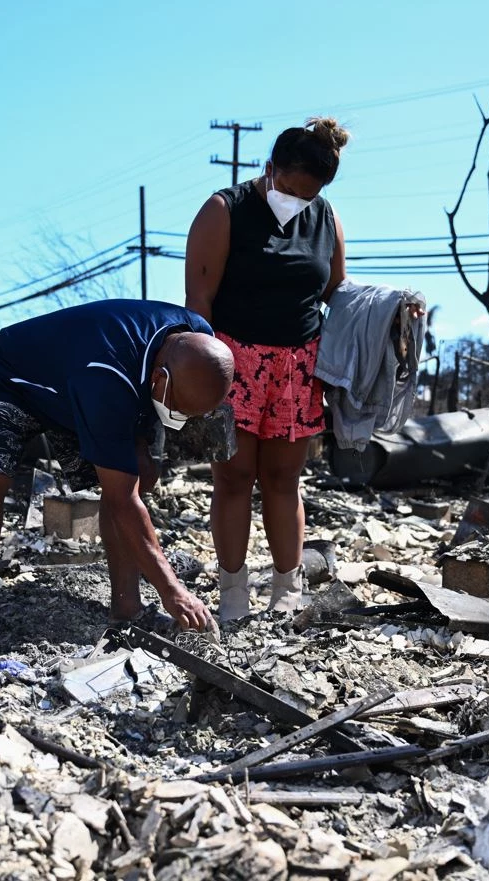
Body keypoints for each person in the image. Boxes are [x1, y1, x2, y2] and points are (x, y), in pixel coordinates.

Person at [0, 299, 234, 659]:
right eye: (179, 410)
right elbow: (122, 499)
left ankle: (128, 612)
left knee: (138, 476)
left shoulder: (197, 338)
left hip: (81, 383)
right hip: (8, 378)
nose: (181, 419)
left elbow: (130, 474)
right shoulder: (106, 377)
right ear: (161, 379)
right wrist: (173, 590)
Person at [184, 117, 349, 621]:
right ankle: (233, 591)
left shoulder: (327, 220)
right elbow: (198, 300)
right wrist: (203, 380)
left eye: (309, 194)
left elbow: (338, 296)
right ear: (269, 168)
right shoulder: (224, 210)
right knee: (233, 478)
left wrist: (396, 309)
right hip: (233, 362)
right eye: (291, 188)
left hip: (298, 368)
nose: (297, 200)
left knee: (284, 480)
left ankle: (287, 590)